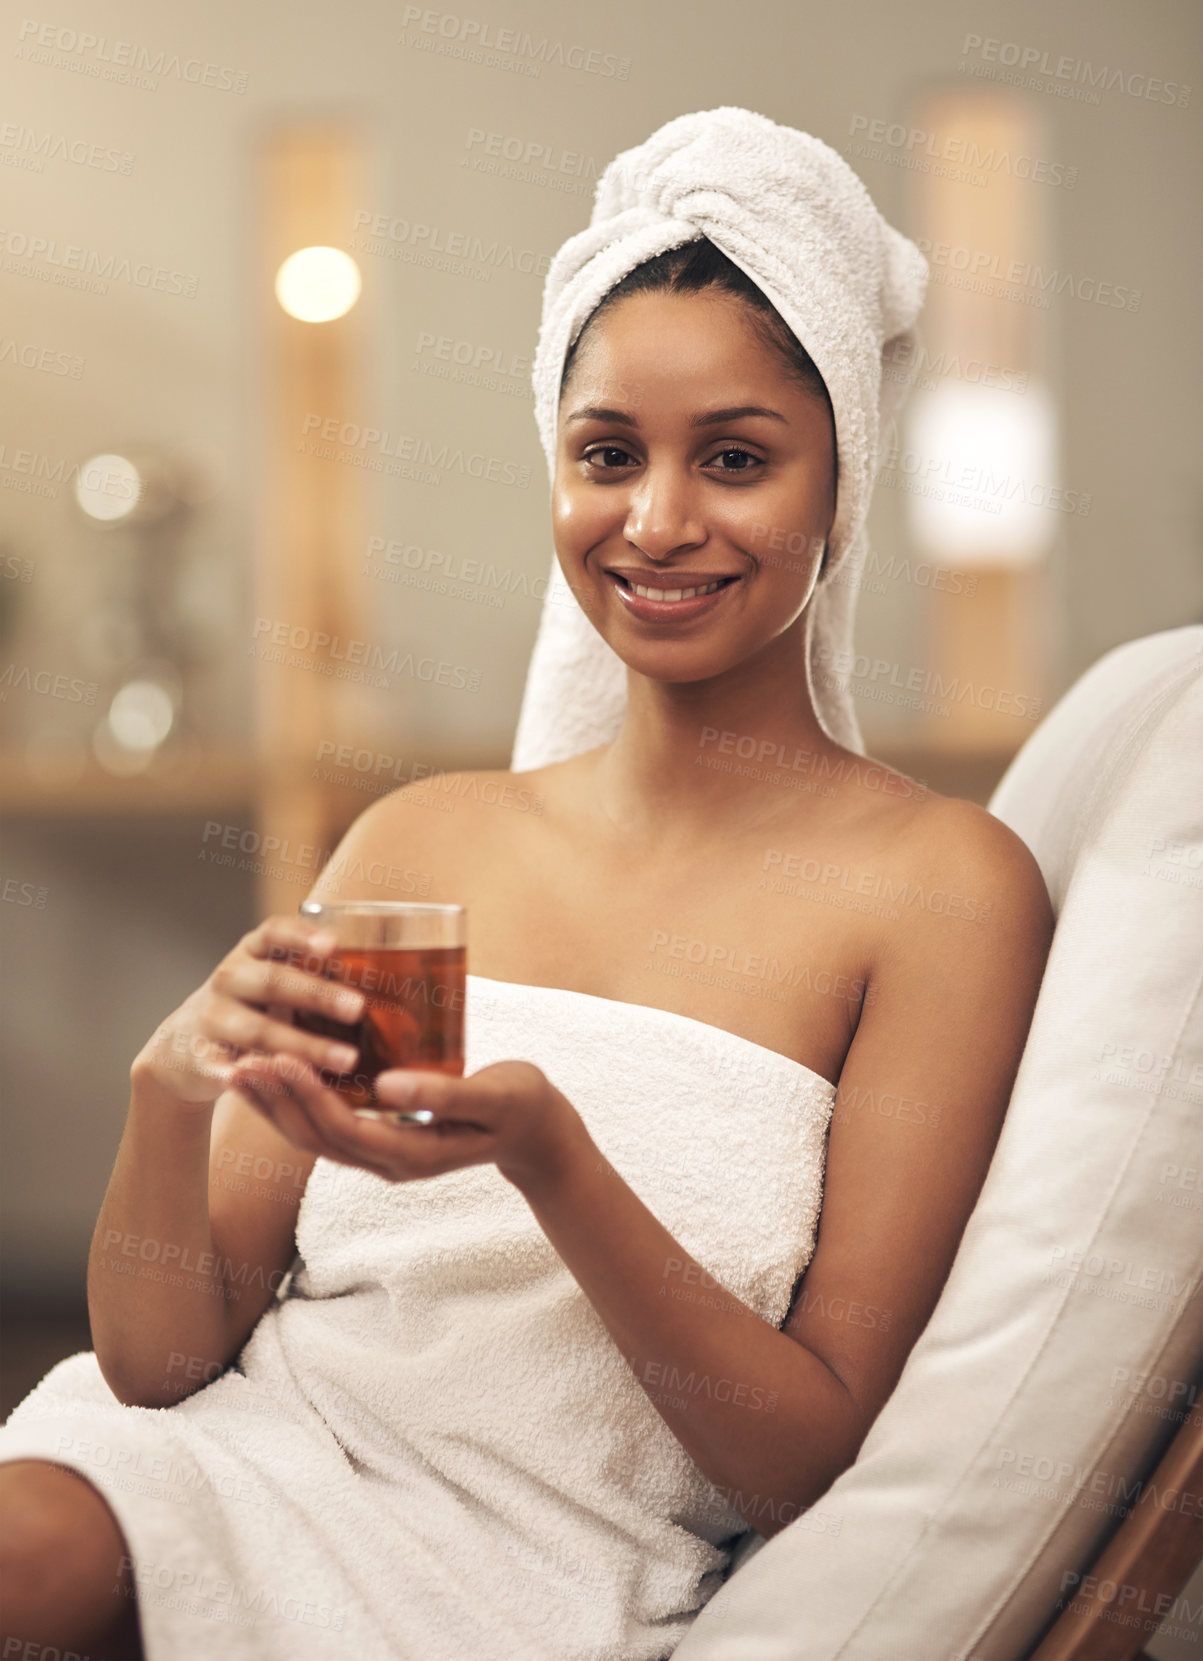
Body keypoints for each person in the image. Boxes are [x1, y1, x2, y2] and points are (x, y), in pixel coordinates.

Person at [0, 109, 1054, 1661]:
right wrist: (169, 1093)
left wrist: (554, 1157)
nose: (659, 520)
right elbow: (160, 1362)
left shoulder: (941, 889)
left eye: (740, 459)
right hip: (247, 1461)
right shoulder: (425, 845)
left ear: (844, 480)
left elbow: (808, 1454)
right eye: (608, 453)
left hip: (545, 1568)